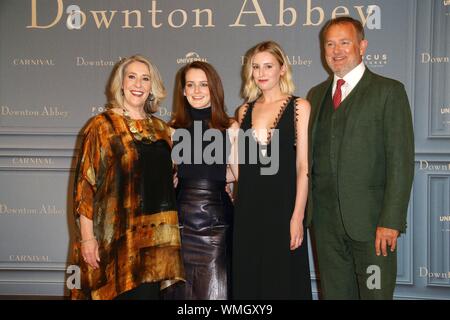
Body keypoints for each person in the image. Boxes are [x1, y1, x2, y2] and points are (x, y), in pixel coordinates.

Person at [307, 17, 414, 299]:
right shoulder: (315, 96)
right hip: (325, 224)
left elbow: (400, 163)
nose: (336, 50)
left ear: (362, 46)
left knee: (375, 294)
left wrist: (391, 221)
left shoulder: (388, 91)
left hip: (372, 227)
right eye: (330, 44)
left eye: (345, 42)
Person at [70, 55, 184, 300]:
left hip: (153, 247)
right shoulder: (101, 126)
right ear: (121, 83)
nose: (138, 84)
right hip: (113, 243)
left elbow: (170, 178)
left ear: (152, 87)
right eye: (131, 77)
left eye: (145, 79)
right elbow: (85, 187)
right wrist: (88, 239)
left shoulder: (164, 130)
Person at [232, 41, 312, 299]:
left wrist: (297, 216)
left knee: (283, 283)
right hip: (248, 211)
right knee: (250, 282)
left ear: (282, 69)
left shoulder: (299, 107)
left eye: (268, 66)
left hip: (283, 210)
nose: (262, 72)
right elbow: (241, 171)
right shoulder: (243, 111)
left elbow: (303, 167)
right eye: (256, 67)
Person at [165, 61, 238, 300]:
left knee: (215, 291)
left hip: (217, 221)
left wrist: (223, 179)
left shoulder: (231, 127)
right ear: (183, 91)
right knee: (179, 292)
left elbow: (240, 175)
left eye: (203, 84)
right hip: (180, 220)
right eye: (191, 85)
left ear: (214, 88)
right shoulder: (171, 130)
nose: (197, 91)